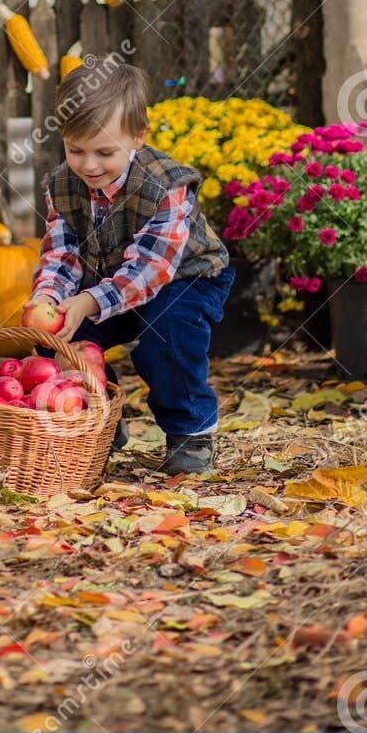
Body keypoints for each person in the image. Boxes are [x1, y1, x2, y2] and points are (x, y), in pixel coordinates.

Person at [22, 58, 234, 474]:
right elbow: (62, 253)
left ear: (139, 137)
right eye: (75, 150)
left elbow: (150, 270)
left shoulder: (166, 186)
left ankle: (190, 430)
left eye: (104, 151)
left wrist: (87, 300)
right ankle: (98, 409)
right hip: (108, 285)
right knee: (58, 337)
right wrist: (48, 295)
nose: (88, 165)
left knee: (166, 336)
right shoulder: (62, 185)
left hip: (186, 277)